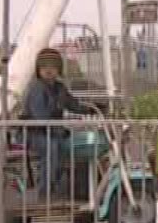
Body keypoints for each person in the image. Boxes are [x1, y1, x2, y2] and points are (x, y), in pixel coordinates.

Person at [19, 48, 100, 200]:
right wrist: (58, 126)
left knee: (65, 146)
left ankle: (65, 189)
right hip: (35, 133)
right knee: (51, 148)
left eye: (53, 66)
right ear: (38, 69)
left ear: (59, 69)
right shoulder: (37, 88)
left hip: (52, 131)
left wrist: (94, 108)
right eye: (44, 67)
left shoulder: (60, 88)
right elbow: (40, 117)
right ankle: (45, 191)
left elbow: (73, 104)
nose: (49, 70)